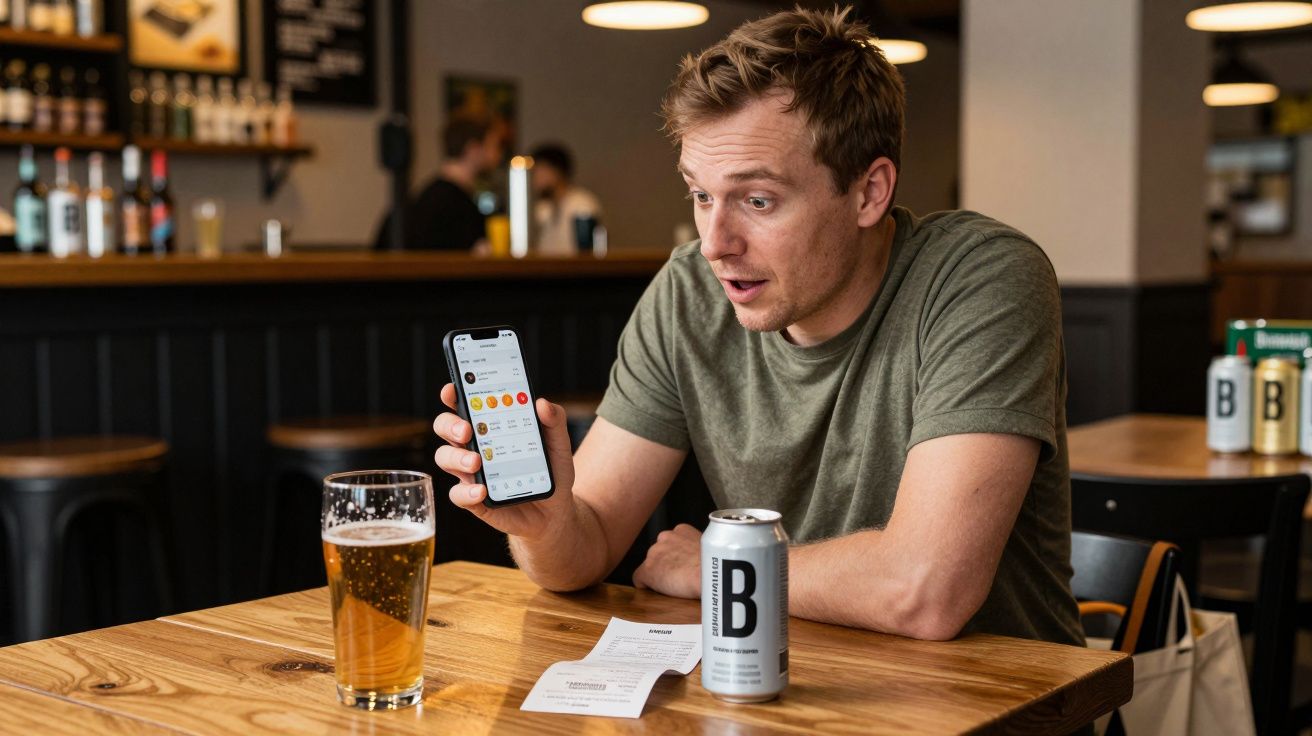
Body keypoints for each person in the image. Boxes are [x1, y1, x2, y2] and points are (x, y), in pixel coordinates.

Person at [432, 7, 1082, 645]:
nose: (715, 242)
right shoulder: (691, 291)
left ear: (868, 192)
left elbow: (924, 589)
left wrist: (718, 565)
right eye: (701, 194)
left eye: (758, 200)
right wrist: (545, 527)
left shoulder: (982, 277)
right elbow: (588, 543)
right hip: (785, 697)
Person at [373, 116, 502, 251]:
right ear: (473, 149)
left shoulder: (424, 196)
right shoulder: (457, 207)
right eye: (494, 146)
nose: (498, 155)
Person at [529, 143, 602, 255]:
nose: (534, 181)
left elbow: (588, 253)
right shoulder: (544, 208)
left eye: (537, 173)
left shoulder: (582, 204)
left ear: (556, 172)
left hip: (576, 271)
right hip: (550, 271)